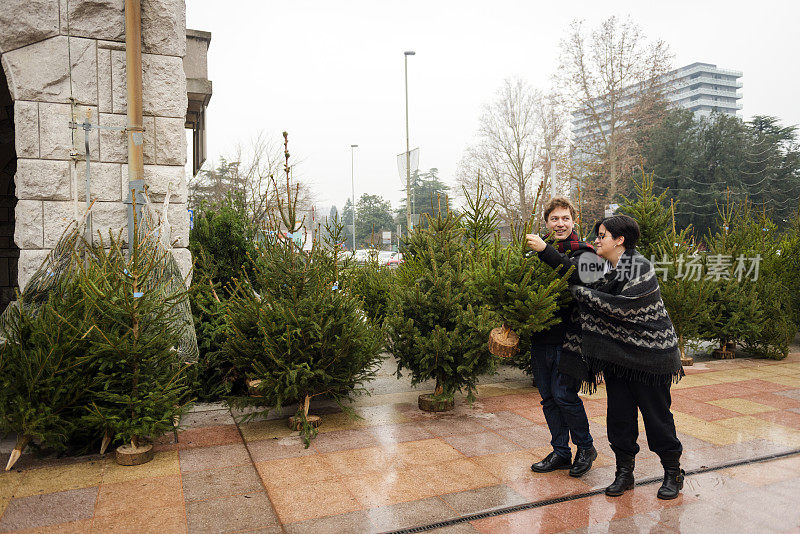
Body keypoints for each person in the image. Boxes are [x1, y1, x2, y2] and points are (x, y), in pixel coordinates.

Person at [527, 214, 685, 500]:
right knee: (619, 419)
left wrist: (578, 293)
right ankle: (624, 474)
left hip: (651, 360)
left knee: (657, 419)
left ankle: (672, 472)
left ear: (619, 240)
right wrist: (552, 259)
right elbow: (575, 274)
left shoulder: (640, 267)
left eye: (602, 236)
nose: (597, 240)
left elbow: (621, 308)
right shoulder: (605, 271)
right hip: (618, 358)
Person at [527, 197, 597, 478]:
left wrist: (545, 250)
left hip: (571, 339)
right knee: (548, 398)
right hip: (541, 337)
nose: (560, 224)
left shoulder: (586, 253)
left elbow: (576, 275)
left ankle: (586, 447)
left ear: (573, 221)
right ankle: (560, 451)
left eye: (565, 218)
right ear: (547, 222)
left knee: (564, 395)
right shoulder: (535, 254)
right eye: (554, 219)